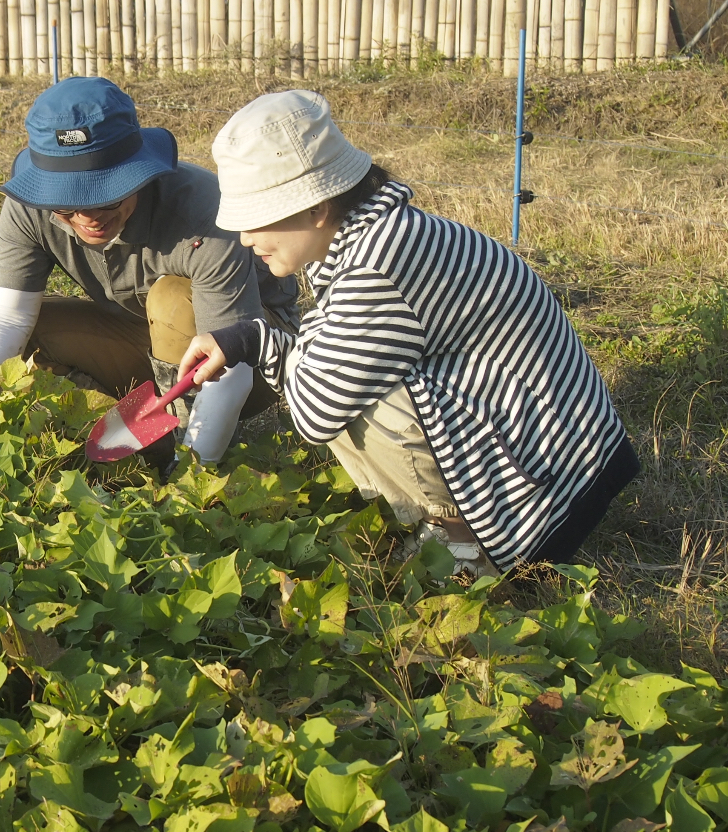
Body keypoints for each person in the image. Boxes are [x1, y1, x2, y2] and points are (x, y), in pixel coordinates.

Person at [179, 90, 639, 573]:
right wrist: (247, 340)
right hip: (558, 457)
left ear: (316, 208)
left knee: (349, 394)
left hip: (544, 498)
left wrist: (261, 344)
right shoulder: (379, 234)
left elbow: (317, 411)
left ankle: (462, 549)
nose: (246, 239)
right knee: (339, 368)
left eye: (255, 220)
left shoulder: (380, 267)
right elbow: (331, 353)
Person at [0, 76, 299, 463]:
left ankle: (176, 441)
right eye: (66, 206)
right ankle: (119, 430)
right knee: (27, 338)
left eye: (105, 197)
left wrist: (190, 475)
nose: (87, 217)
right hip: (141, 335)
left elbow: (233, 370)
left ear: (139, 172)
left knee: (173, 298)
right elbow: (7, 319)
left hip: (246, 353)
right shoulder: (29, 207)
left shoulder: (203, 214)